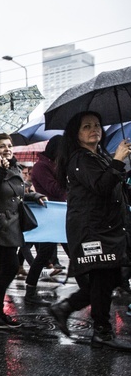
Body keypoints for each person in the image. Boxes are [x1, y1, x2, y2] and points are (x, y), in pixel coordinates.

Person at [50, 111, 131, 351]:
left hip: (108, 228)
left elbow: (116, 187)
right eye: (86, 126)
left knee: (111, 278)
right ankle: (102, 332)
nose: (94, 129)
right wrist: (117, 161)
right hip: (91, 229)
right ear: (76, 134)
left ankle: (64, 308)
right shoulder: (79, 159)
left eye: (97, 125)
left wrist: (121, 165)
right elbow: (102, 186)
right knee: (103, 278)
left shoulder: (99, 157)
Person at [0, 133, 46, 329]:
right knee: (10, 266)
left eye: (9, 145)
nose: (7, 149)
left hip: (12, 225)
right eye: (1, 146)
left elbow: (18, 193)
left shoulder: (14, 166)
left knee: (2, 268)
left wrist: (34, 196)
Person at [24, 135, 68, 305]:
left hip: (58, 215)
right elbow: (54, 189)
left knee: (45, 254)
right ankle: (87, 291)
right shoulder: (42, 167)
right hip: (51, 216)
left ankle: (30, 289)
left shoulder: (52, 165)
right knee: (67, 251)